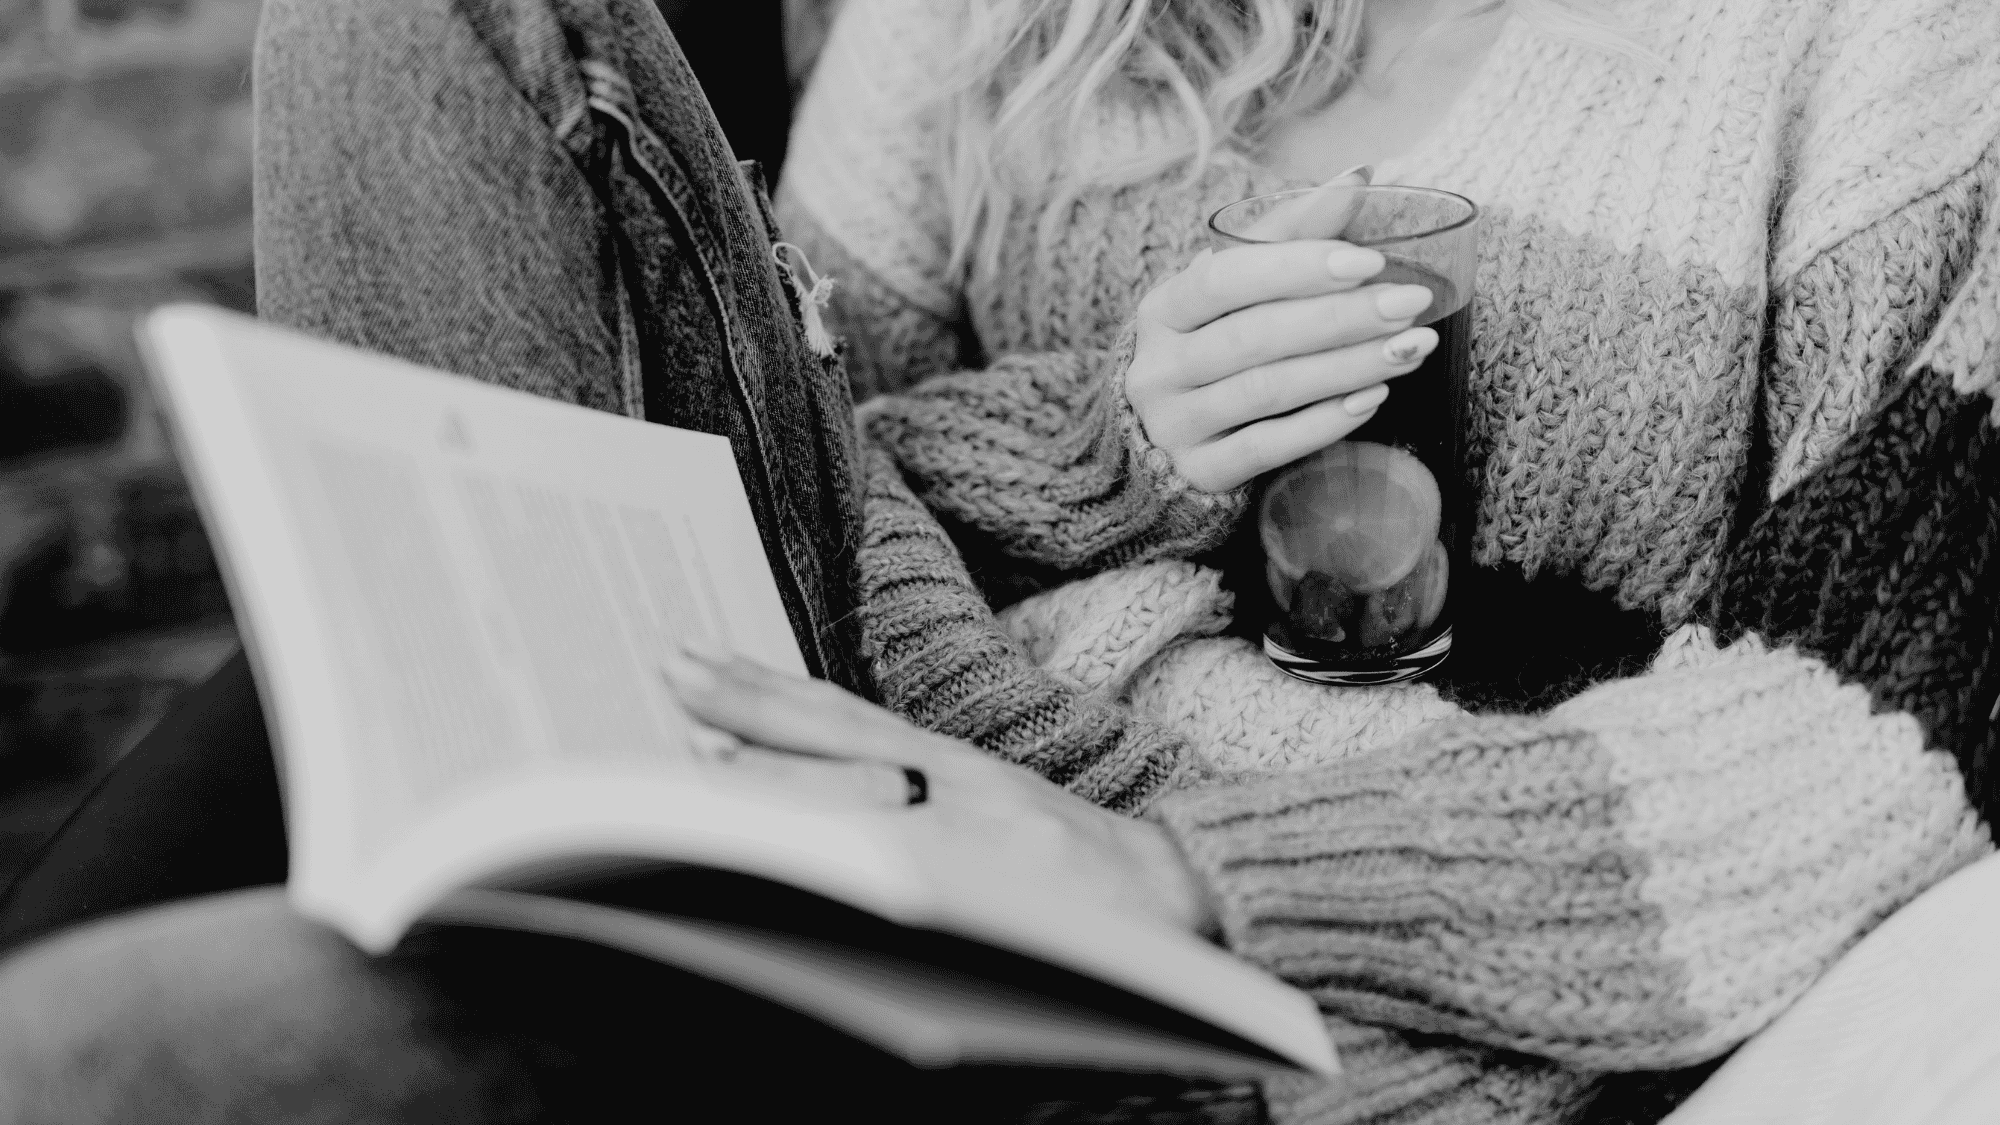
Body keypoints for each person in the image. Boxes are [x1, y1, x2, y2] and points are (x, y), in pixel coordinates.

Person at [1, 0, 1996, 1122]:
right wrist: (1111, 445)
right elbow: (813, 469)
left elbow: (1879, 734)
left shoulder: (1869, 46)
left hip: (1244, 971)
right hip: (827, 751)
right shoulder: (989, 22)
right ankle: (505, 842)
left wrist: (1171, 879)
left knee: (125, 1055)